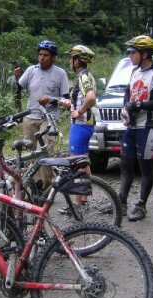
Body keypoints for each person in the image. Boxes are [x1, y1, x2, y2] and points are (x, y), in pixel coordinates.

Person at [119, 35, 153, 221]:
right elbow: (128, 93)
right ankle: (121, 202)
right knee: (125, 163)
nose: (130, 55)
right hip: (132, 126)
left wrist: (138, 106)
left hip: (149, 126)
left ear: (145, 54)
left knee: (145, 167)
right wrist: (126, 108)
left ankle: (141, 205)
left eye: (133, 52)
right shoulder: (135, 72)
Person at [14, 40, 70, 190]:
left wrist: (51, 99)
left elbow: (67, 99)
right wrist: (16, 77)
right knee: (31, 155)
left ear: (53, 58)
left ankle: (44, 188)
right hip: (30, 118)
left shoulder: (60, 73)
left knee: (43, 155)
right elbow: (18, 88)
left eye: (45, 55)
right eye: (40, 54)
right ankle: (35, 185)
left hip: (48, 119)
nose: (41, 58)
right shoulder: (31, 70)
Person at [58, 45, 98, 212]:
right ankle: (85, 198)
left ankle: (76, 204)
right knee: (84, 161)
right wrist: (70, 104)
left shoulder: (83, 78)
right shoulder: (86, 76)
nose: (70, 61)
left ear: (77, 60)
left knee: (76, 163)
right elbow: (84, 97)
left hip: (81, 125)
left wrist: (79, 111)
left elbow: (91, 97)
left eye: (72, 58)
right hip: (87, 124)